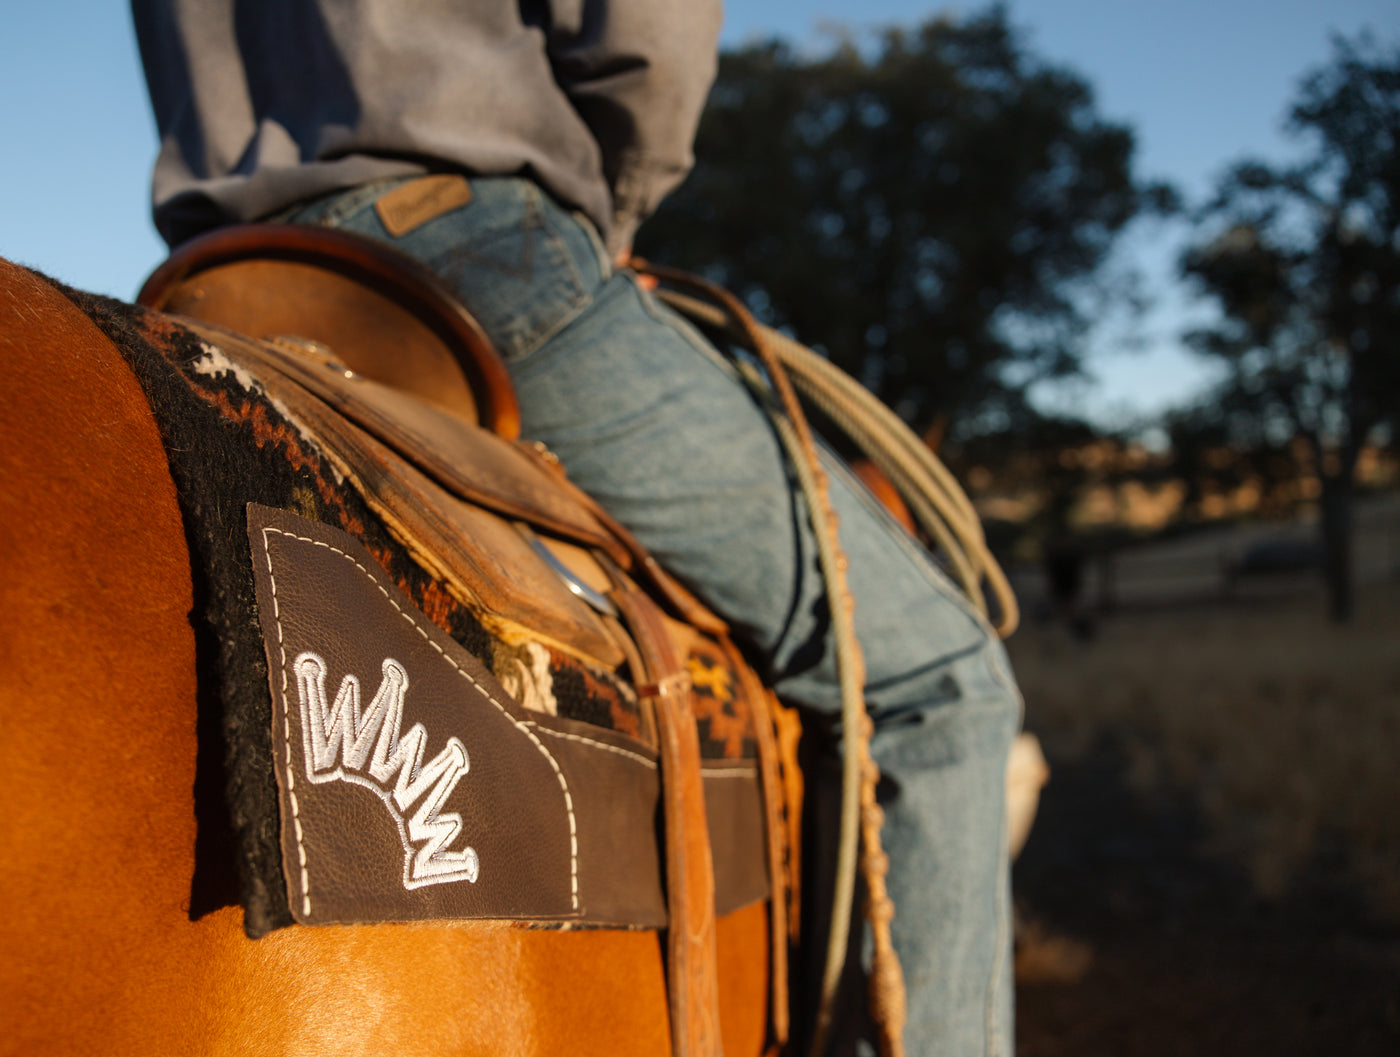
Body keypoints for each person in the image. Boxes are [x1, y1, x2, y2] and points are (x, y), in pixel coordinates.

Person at [131, 3, 1023, 1054]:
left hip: (222, 286)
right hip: (469, 245)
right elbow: (646, 35)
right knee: (946, 685)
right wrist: (618, 211)